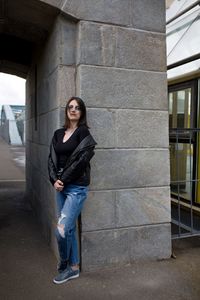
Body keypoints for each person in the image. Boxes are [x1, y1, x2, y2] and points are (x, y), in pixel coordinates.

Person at [48, 96, 97, 284]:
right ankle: (74, 268)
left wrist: (63, 179)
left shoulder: (83, 133)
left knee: (61, 230)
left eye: (77, 107)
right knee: (68, 230)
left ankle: (64, 264)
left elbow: (82, 161)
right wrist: (54, 180)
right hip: (60, 186)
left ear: (82, 112)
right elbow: (50, 159)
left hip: (76, 187)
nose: (73, 109)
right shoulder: (58, 133)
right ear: (66, 111)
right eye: (70, 107)